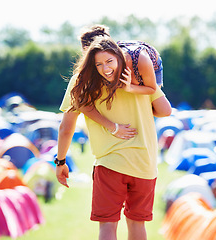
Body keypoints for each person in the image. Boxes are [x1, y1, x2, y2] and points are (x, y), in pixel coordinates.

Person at [55, 36, 172, 240]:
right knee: (137, 224)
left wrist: (61, 161)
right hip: (145, 163)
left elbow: (66, 127)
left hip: (110, 164)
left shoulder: (81, 81)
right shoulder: (136, 74)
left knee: (107, 226)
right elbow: (165, 110)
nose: (103, 67)